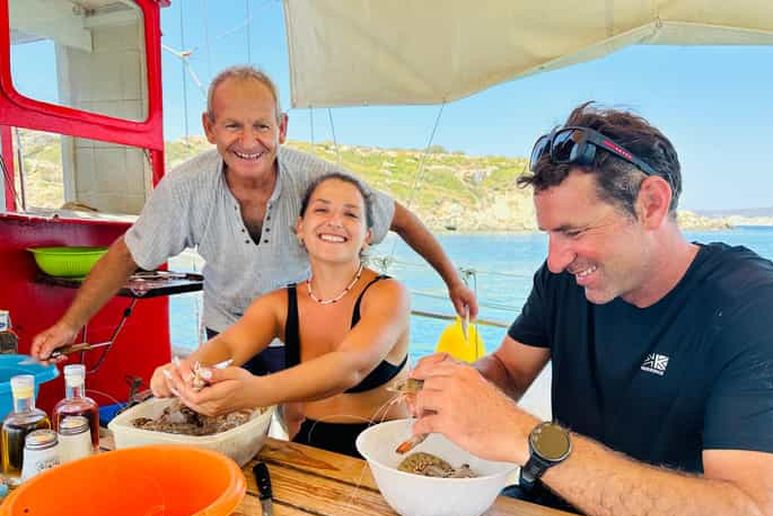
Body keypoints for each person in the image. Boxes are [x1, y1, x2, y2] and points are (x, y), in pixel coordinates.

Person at [407, 103, 773, 516]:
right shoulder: (561, 284)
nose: (555, 261)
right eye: (550, 234)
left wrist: (528, 439)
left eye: (573, 232)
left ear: (652, 204)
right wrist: (461, 388)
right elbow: (509, 367)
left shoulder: (758, 307)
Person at [31, 66, 477, 373]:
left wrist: (453, 281)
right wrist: (69, 324)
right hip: (228, 330)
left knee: (303, 425)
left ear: (281, 128)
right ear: (209, 128)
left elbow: (398, 217)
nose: (249, 141)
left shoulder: (319, 181)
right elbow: (127, 254)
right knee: (228, 423)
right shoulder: (186, 188)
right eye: (232, 127)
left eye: (262, 127)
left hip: (307, 329)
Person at [151, 173, 409, 457]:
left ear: (367, 237)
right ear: (300, 227)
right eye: (321, 209)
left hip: (384, 451)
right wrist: (183, 370)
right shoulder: (279, 304)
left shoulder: (388, 294)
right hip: (311, 447)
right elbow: (230, 345)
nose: (335, 221)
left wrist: (253, 392)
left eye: (351, 214)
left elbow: (350, 367)